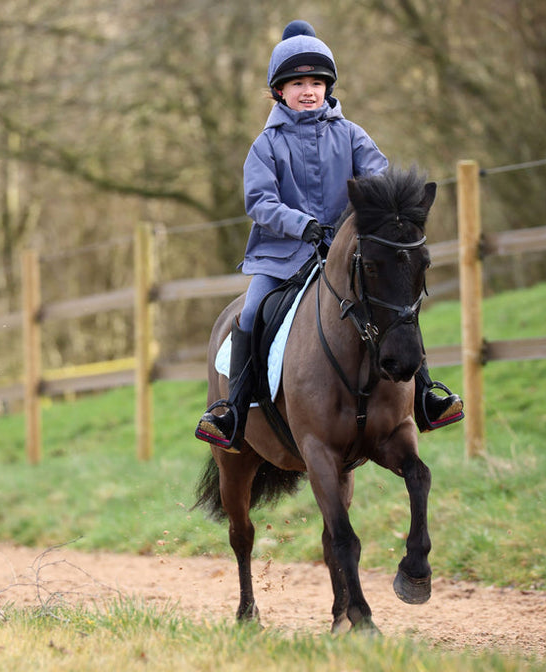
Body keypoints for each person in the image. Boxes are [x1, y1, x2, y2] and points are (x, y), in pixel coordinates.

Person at [195, 20, 463, 452]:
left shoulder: (351, 134)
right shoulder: (265, 145)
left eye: (316, 82)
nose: (308, 90)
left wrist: (373, 214)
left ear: (328, 87)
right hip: (281, 256)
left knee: (393, 304)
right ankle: (233, 412)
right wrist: (303, 225)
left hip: (345, 255)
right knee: (250, 314)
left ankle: (428, 397)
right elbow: (260, 202)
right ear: (278, 91)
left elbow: (378, 178)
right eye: (297, 82)